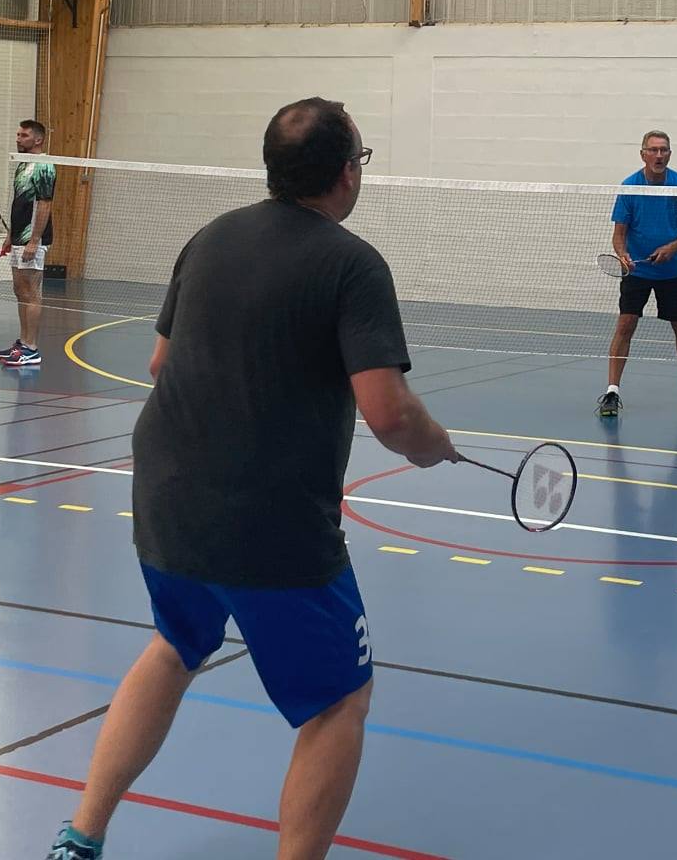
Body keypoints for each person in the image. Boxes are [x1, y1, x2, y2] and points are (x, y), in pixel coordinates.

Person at [45, 99, 458, 860]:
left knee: (176, 642)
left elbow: (160, 363)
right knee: (339, 701)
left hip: (165, 498)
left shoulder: (210, 236)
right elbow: (390, 414)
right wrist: (435, 447)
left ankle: (81, 837)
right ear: (345, 173)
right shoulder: (353, 264)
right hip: (271, 524)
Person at [598, 130, 677, 417]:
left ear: (669, 154)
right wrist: (622, 254)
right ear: (643, 154)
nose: (659, 155)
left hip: (672, 270)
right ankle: (612, 392)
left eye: (664, 150)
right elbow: (619, 234)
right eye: (653, 150)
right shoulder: (630, 186)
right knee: (625, 326)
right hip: (637, 271)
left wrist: (672, 248)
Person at [0, 119, 54, 370]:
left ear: (38, 139)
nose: (18, 139)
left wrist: (34, 240)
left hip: (34, 238)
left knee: (31, 293)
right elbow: (20, 203)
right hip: (20, 237)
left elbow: (44, 204)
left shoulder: (44, 166)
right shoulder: (23, 164)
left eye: (23, 135)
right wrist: (11, 235)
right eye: (18, 134)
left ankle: (31, 349)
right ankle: (22, 343)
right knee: (20, 290)